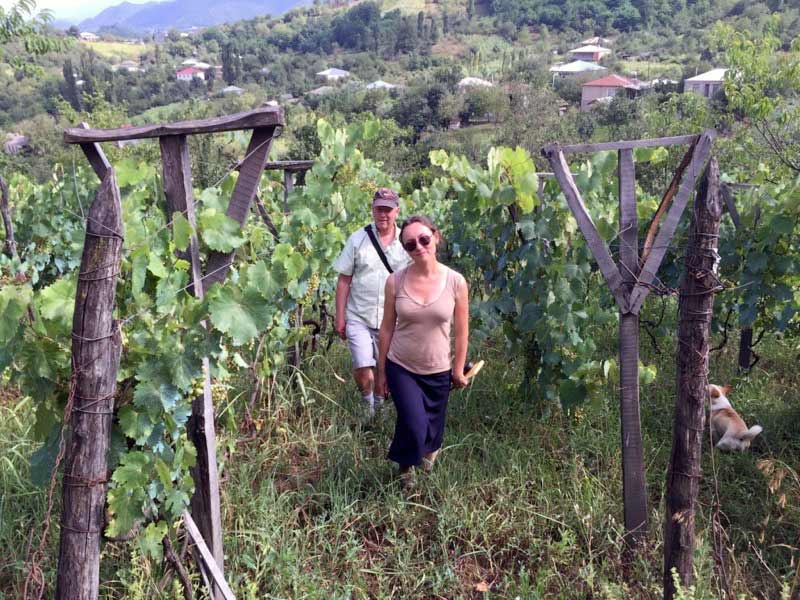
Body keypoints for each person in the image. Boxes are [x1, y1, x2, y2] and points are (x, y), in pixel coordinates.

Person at [376, 215, 469, 488]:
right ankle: (406, 472)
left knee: (433, 431)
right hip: (401, 366)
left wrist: (458, 369)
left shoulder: (456, 282)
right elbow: (386, 329)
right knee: (414, 423)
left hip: (438, 369)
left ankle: (423, 466)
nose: (419, 247)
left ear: (435, 237)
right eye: (410, 245)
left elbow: (462, 331)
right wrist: (381, 372)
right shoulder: (395, 282)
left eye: (424, 239)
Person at [333, 188, 411, 418]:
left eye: (388, 210)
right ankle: (366, 409)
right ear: (373, 210)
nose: (383, 215)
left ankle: (380, 412)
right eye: (379, 209)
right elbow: (344, 280)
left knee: (383, 370)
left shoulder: (407, 241)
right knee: (363, 366)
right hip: (359, 316)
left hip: (392, 320)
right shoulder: (358, 239)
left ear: (397, 211)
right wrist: (340, 317)